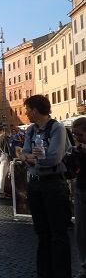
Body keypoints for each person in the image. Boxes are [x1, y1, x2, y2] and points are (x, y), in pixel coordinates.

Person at [19, 95, 71, 277]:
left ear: (34, 110)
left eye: (26, 110)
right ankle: (44, 273)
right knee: (41, 233)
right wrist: (32, 157)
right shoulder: (31, 130)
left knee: (58, 234)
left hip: (54, 185)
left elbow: (54, 158)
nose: (24, 113)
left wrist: (33, 159)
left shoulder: (57, 128)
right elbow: (23, 155)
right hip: (35, 186)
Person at [71, 117, 86, 278]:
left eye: (80, 135)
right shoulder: (78, 149)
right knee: (80, 232)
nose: (77, 138)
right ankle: (84, 266)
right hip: (80, 189)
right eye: (75, 135)